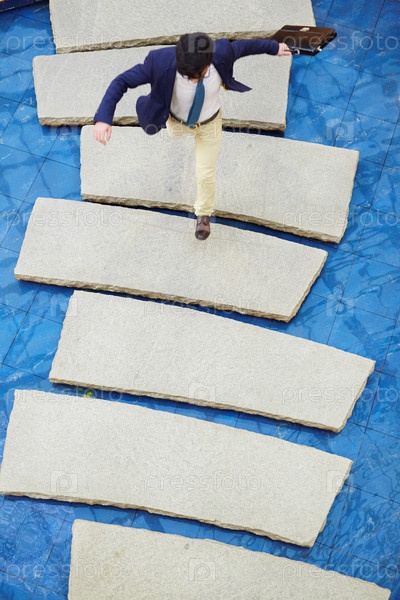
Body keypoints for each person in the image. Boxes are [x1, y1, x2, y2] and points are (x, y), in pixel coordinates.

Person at [94, 32, 291, 240]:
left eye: (199, 75)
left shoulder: (222, 52)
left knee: (205, 173)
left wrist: (274, 48)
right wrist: (104, 118)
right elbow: (122, 81)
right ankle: (171, 124)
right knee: (174, 133)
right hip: (176, 122)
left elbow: (247, 47)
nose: (194, 80)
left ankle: (203, 214)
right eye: (188, 76)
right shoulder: (159, 61)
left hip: (209, 125)